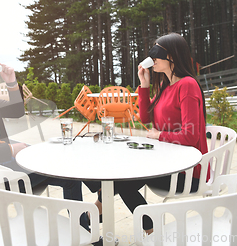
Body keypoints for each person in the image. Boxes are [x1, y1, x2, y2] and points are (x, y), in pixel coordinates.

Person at [87, 33, 209, 234]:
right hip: (167, 163)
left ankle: (101, 214)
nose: (152, 58)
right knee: (121, 174)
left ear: (172, 56)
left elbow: (190, 136)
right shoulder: (164, 86)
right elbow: (145, 118)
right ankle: (103, 212)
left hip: (187, 171)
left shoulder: (187, 85)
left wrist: (159, 135)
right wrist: (144, 84)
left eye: (157, 53)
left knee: (123, 180)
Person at [0, 44, 84, 202]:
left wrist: (11, 82)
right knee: (68, 176)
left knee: (55, 159)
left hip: (4, 164)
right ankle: (88, 216)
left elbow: (16, 111)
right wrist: (9, 149)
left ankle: (97, 190)